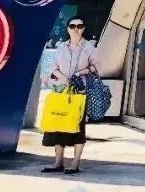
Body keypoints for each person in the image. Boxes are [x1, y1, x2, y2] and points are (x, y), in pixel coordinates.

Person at [42, 16, 98, 174]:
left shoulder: (89, 47)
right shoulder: (61, 47)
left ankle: (75, 163)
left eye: (79, 26)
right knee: (58, 124)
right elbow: (53, 67)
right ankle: (58, 162)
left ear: (83, 28)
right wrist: (62, 77)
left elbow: (96, 67)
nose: (76, 29)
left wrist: (81, 72)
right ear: (68, 28)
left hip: (79, 91)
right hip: (61, 90)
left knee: (78, 127)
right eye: (72, 26)